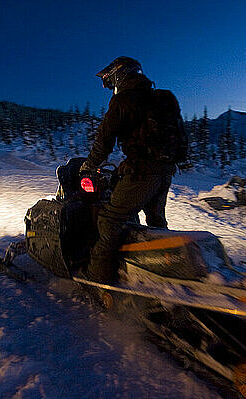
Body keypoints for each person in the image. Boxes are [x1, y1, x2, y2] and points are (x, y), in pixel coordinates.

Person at [80, 56, 186, 283]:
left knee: (109, 220)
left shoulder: (123, 101)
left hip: (141, 172)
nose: (108, 88)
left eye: (108, 82)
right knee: (156, 221)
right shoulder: (164, 97)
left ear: (119, 75)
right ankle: (169, 271)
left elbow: (104, 140)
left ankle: (98, 279)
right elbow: (180, 136)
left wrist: (89, 165)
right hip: (165, 171)